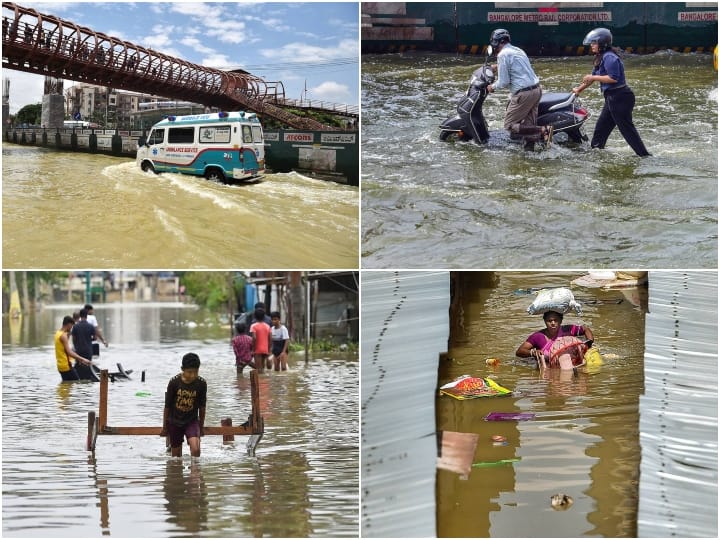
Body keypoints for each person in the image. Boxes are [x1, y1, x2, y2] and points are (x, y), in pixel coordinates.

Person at [572, 28, 651, 157]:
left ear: (602, 44)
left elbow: (612, 78)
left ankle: (645, 156)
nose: (591, 45)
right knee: (600, 131)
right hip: (612, 98)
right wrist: (578, 90)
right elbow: (593, 76)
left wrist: (593, 78)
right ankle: (596, 154)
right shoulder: (600, 57)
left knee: (627, 131)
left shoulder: (609, 57)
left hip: (620, 97)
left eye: (594, 43)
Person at [486, 28, 553, 148]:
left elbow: (504, 82)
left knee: (509, 125)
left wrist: (491, 87)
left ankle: (543, 130)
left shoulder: (502, 55)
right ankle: (529, 154)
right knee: (529, 129)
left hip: (524, 94)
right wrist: (497, 66)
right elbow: (518, 66)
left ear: (497, 42)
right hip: (536, 90)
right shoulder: (517, 50)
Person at [160, 353, 207, 458]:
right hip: (175, 422)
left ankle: (195, 472)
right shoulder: (174, 382)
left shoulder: (201, 383)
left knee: (196, 449)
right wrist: (164, 427)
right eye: (189, 372)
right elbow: (167, 406)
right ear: (183, 369)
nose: (193, 376)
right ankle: (177, 473)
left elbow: (202, 407)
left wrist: (201, 427)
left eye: (195, 372)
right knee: (176, 457)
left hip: (192, 421)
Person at [516, 311, 594, 370]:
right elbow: (520, 351)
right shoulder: (538, 336)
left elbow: (585, 329)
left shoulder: (567, 330)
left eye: (556, 320)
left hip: (571, 362)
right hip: (549, 366)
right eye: (549, 321)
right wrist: (533, 352)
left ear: (561, 320)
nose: (553, 323)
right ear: (545, 321)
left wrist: (589, 342)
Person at [55, 315, 93, 381]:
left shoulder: (58, 333)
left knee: (67, 386)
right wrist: (83, 359)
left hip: (60, 365)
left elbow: (64, 350)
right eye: (72, 326)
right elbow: (69, 352)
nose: (72, 328)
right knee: (76, 382)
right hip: (66, 366)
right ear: (69, 324)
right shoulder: (63, 336)